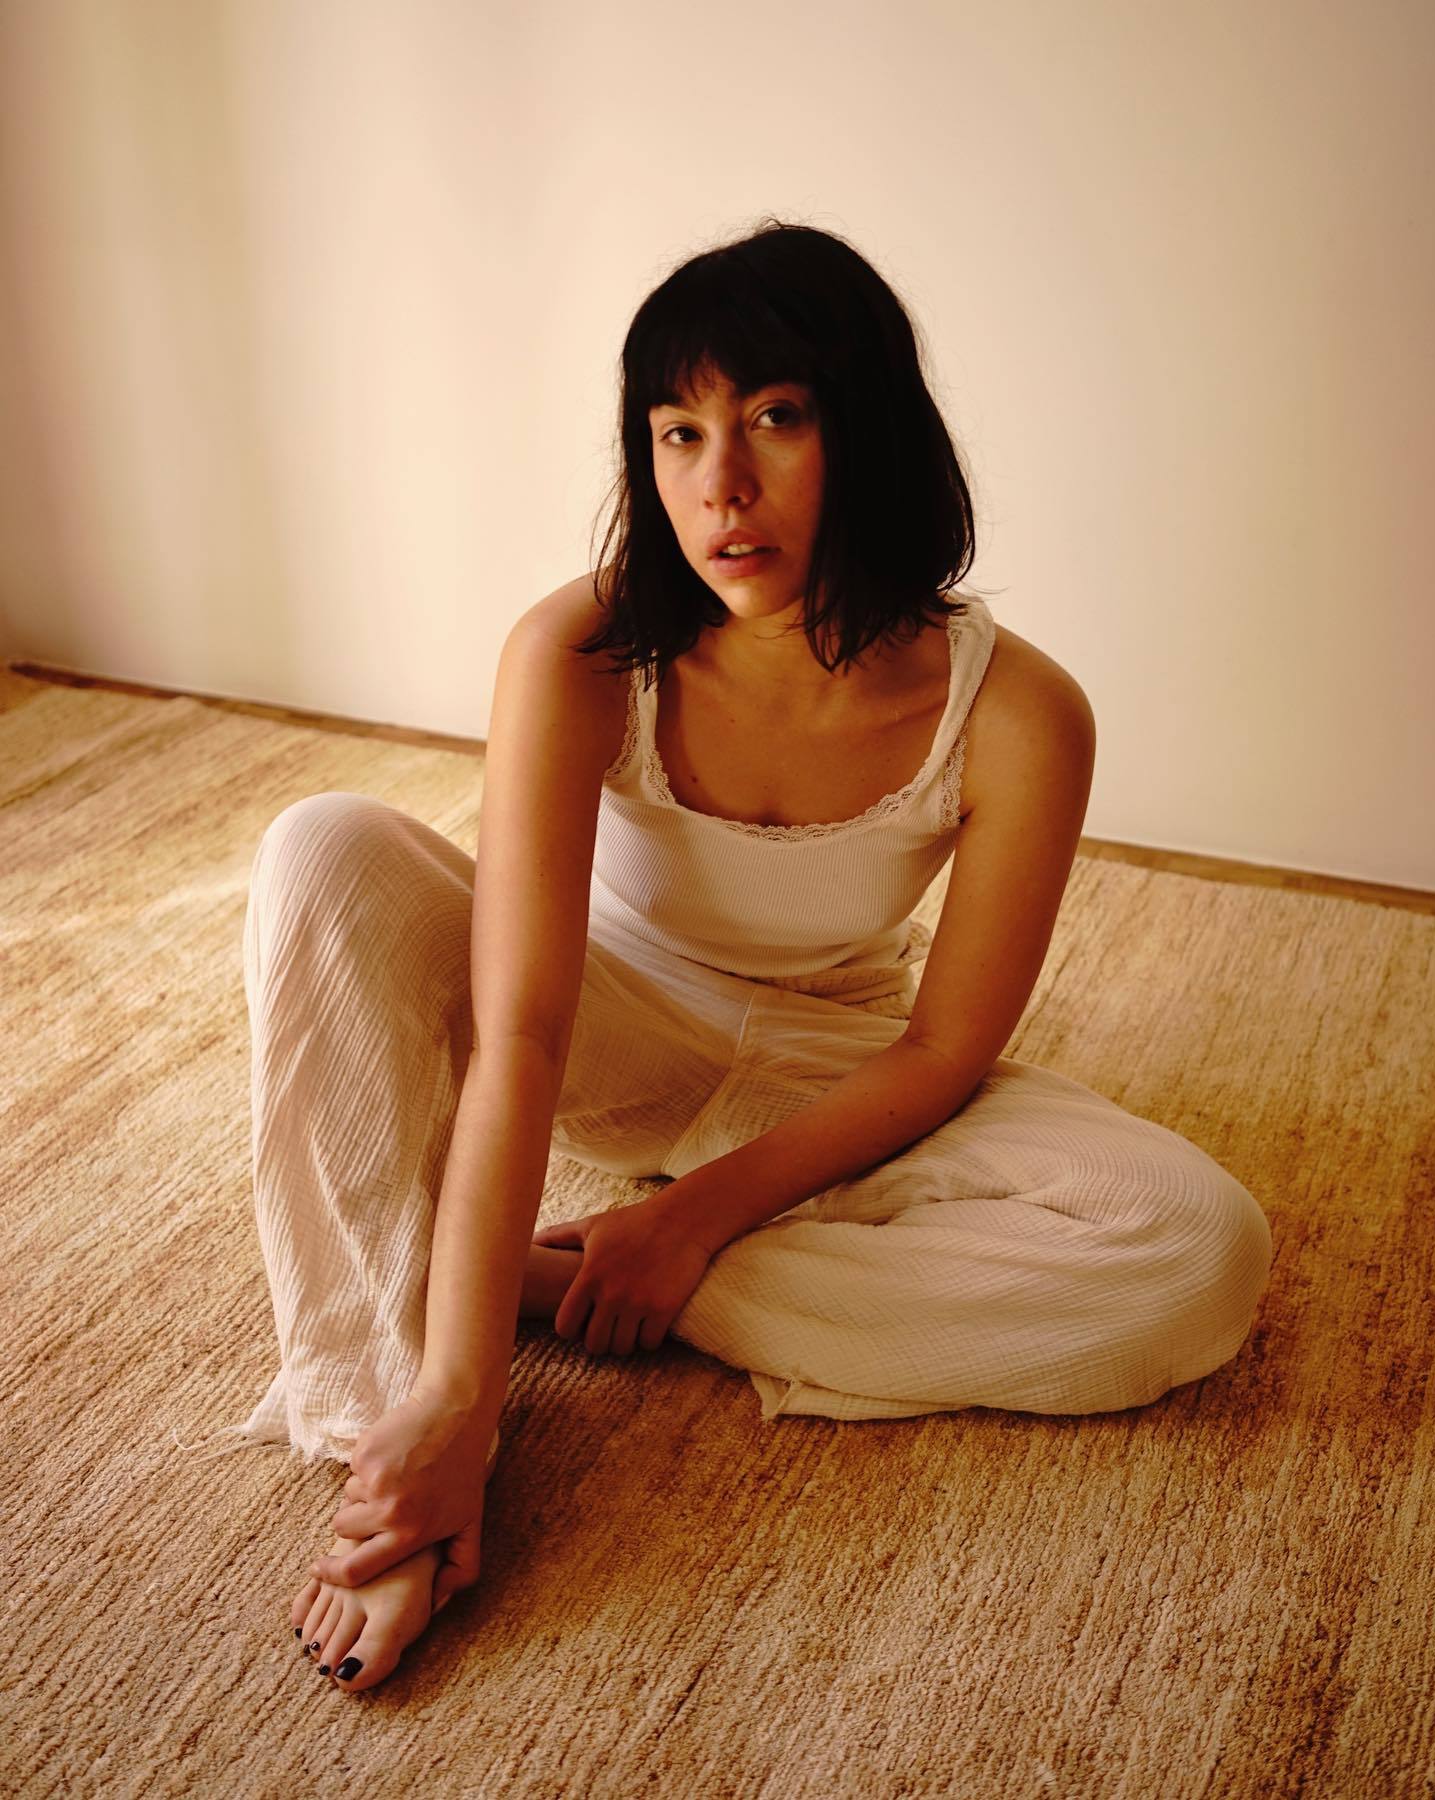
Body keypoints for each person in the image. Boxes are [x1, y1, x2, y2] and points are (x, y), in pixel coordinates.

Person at [204, 220, 1271, 1693]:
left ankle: (533, 1277)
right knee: (324, 843)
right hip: (609, 1025)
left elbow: (943, 1051)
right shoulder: (581, 649)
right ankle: (402, 1446)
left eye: (775, 416)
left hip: (841, 1063)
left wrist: (687, 1226)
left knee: (1195, 1248)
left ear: (868, 430)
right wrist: (462, 1395)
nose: (722, 485)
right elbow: (523, 1027)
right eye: (679, 432)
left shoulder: (1022, 712)